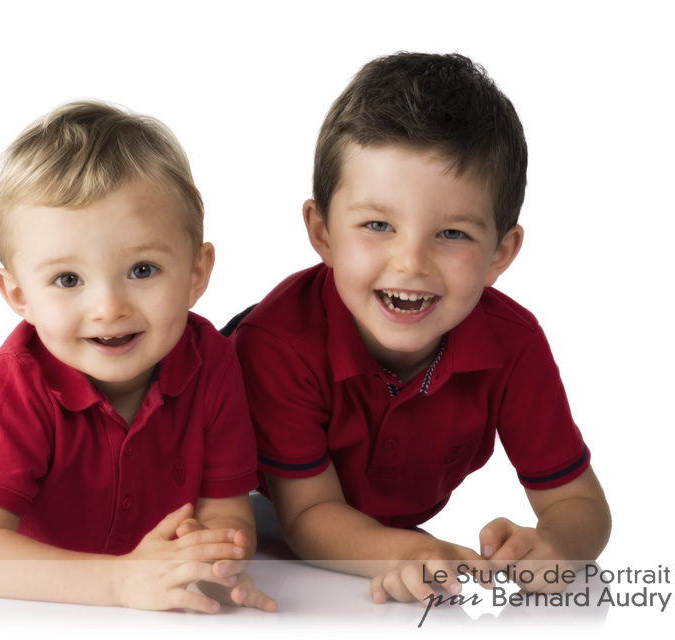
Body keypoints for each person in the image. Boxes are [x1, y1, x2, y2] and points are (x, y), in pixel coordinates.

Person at [231, 52, 611, 604]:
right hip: (260, 520)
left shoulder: (513, 342)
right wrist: (408, 552)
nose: (411, 262)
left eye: (453, 234)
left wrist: (554, 545)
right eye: (377, 224)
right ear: (323, 233)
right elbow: (308, 516)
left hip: (372, 536)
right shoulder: (277, 345)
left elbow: (580, 504)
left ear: (500, 252)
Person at [0, 101, 276, 614]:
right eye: (69, 280)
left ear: (197, 272)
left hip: (30, 423)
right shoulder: (14, 391)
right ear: (19, 294)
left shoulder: (212, 362)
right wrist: (120, 583)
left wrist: (210, 561)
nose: (109, 308)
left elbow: (227, 511)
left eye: (143, 270)